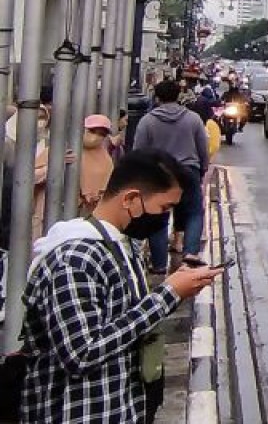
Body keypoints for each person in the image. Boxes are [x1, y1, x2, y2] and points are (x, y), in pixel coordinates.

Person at [19, 149, 222, 424]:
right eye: (163, 209)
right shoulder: (75, 260)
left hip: (119, 405)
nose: (164, 218)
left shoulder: (120, 244)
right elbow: (81, 353)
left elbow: (123, 320)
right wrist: (167, 295)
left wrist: (176, 289)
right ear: (130, 199)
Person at [133, 80, 209, 273]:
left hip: (159, 172)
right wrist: (203, 168)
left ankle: (159, 264)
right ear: (179, 96)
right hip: (188, 170)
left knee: (158, 216)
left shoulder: (147, 121)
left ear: (157, 98)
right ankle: (190, 253)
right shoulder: (193, 119)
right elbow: (203, 148)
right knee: (193, 212)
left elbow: (139, 151)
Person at [78, 115, 116, 216]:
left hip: (91, 213)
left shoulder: (105, 158)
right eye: (92, 131)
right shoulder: (65, 150)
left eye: (101, 134)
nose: (95, 137)